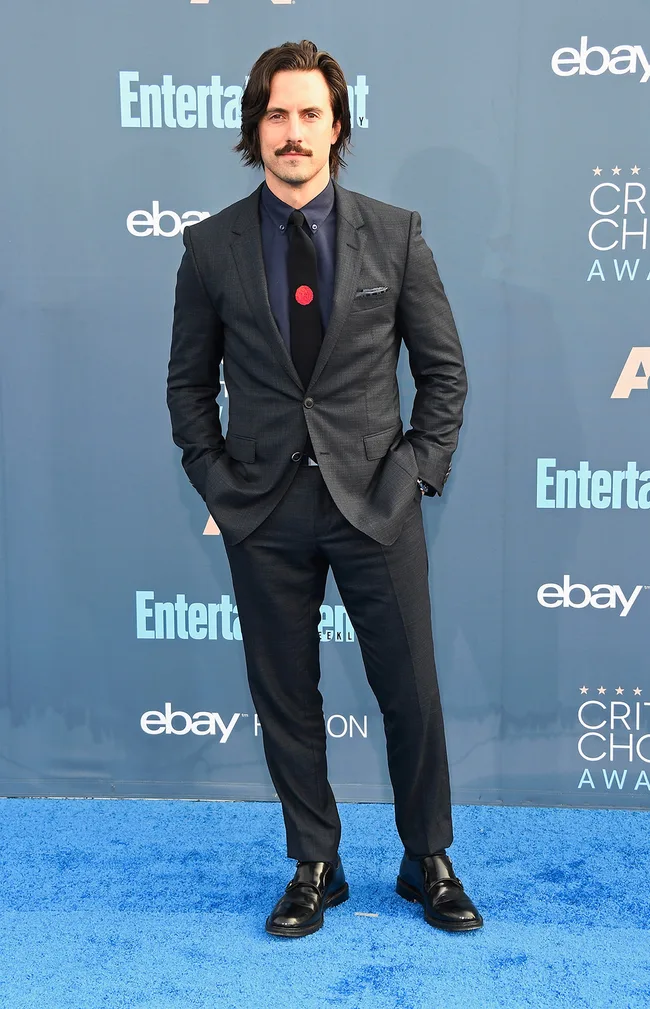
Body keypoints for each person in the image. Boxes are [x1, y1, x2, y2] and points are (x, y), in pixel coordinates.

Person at [167, 39, 483, 938]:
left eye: (310, 114)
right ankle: (317, 862)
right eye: (277, 114)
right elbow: (189, 386)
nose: (293, 132)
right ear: (253, 128)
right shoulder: (209, 246)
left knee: (412, 692)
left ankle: (428, 859)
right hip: (262, 507)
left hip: (376, 501)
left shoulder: (396, 232)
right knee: (284, 695)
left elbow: (444, 374)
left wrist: (416, 471)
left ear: (337, 126)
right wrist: (218, 483)